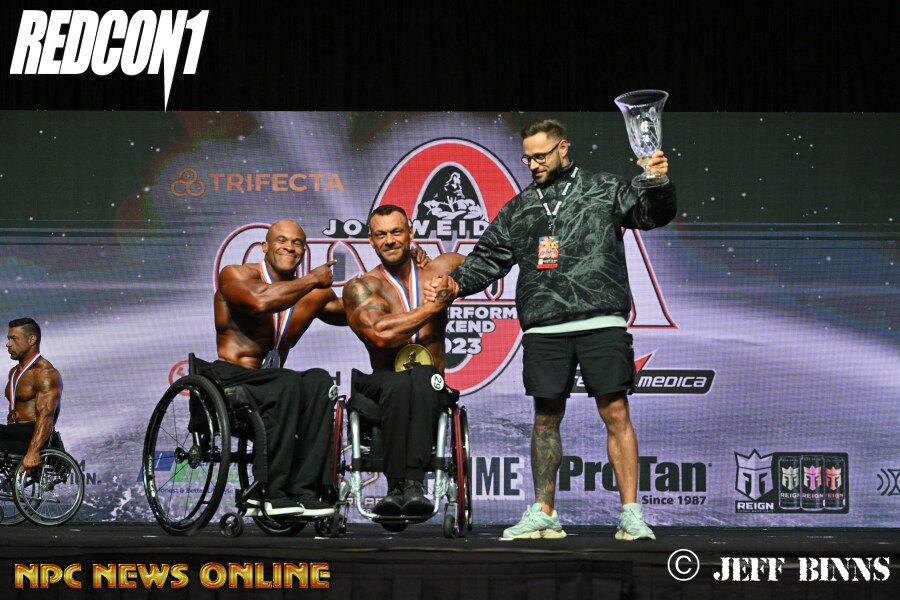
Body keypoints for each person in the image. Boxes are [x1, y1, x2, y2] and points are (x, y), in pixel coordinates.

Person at [434, 118, 676, 540]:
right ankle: (544, 513)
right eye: (528, 158)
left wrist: (657, 182)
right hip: (544, 328)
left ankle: (631, 514)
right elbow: (486, 259)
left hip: (601, 320)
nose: (533, 164)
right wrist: (456, 284)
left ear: (563, 148)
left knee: (616, 412)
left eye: (541, 156)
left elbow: (652, 214)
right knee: (545, 418)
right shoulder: (520, 208)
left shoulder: (603, 188)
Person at [209, 219, 345, 518]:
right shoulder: (236, 274)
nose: (289, 247)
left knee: (319, 382)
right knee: (286, 381)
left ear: (304, 251)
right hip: (232, 378)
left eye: (297, 243)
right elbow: (258, 302)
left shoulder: (312, 294)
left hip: (275, 382)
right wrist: (312, 279)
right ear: (265, 247)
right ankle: (270, 491)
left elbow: (360, 315)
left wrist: (381, 280)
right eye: (282, 240)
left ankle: (306, 491)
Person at [342, 205, 462, 517]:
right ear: (371, 241)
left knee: (421, 376)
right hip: (384, 382)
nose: (390, 240)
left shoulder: (438, 270)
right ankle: (401, 485)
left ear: (410, 232)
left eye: (397, 232)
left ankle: (408, 485)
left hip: (431, 385)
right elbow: (380, 335)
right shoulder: (363, 286)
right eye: (381, 234)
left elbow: (478, 267)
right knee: (399, 383)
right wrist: (433, 307)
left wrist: (455, 283)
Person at [3, 318, 62, 473]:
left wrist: (33, 452)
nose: (8, 344)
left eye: (14, 338)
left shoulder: (45, 373)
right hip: (15, 432)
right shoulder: (14, 373)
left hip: (33, 434)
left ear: (31, 340)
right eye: (8, 339)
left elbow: (47, 414)